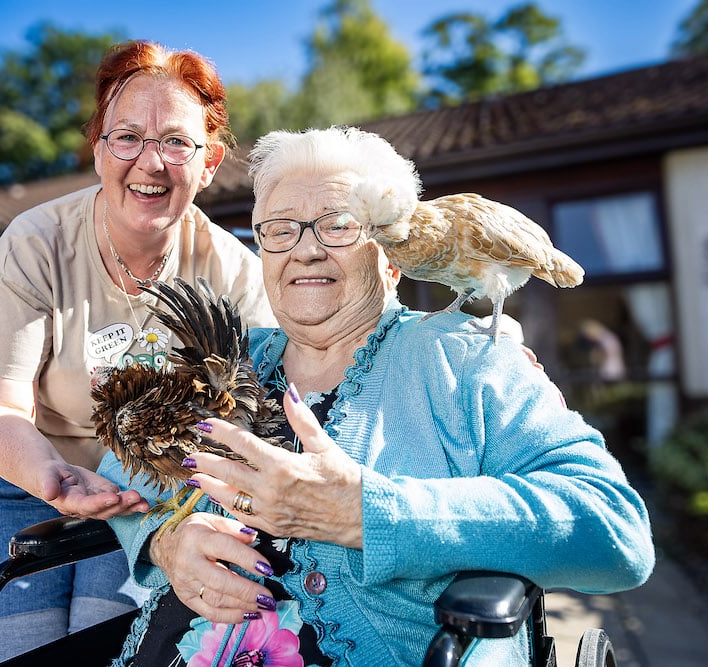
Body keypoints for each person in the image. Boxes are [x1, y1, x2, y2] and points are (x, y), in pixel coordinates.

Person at [97, 126, 655, 666]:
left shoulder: (463, 359)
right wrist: (165, 542)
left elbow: (614, 530)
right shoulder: (224, 356)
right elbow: (120, 471)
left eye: (338, 226)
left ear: (391, 253)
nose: (306, 251)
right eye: (280, 229)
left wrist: (365, 514)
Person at [0, 40, 275, 662]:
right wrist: (51, 477)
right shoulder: (37, 243)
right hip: (27, 470)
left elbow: (290, 381)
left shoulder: (237, 273)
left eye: (177, 142)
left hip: (153, 493)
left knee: (108, 646)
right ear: (100, 149)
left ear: (210, 161)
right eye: (127, 137)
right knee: (22, 650)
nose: (149, 162)